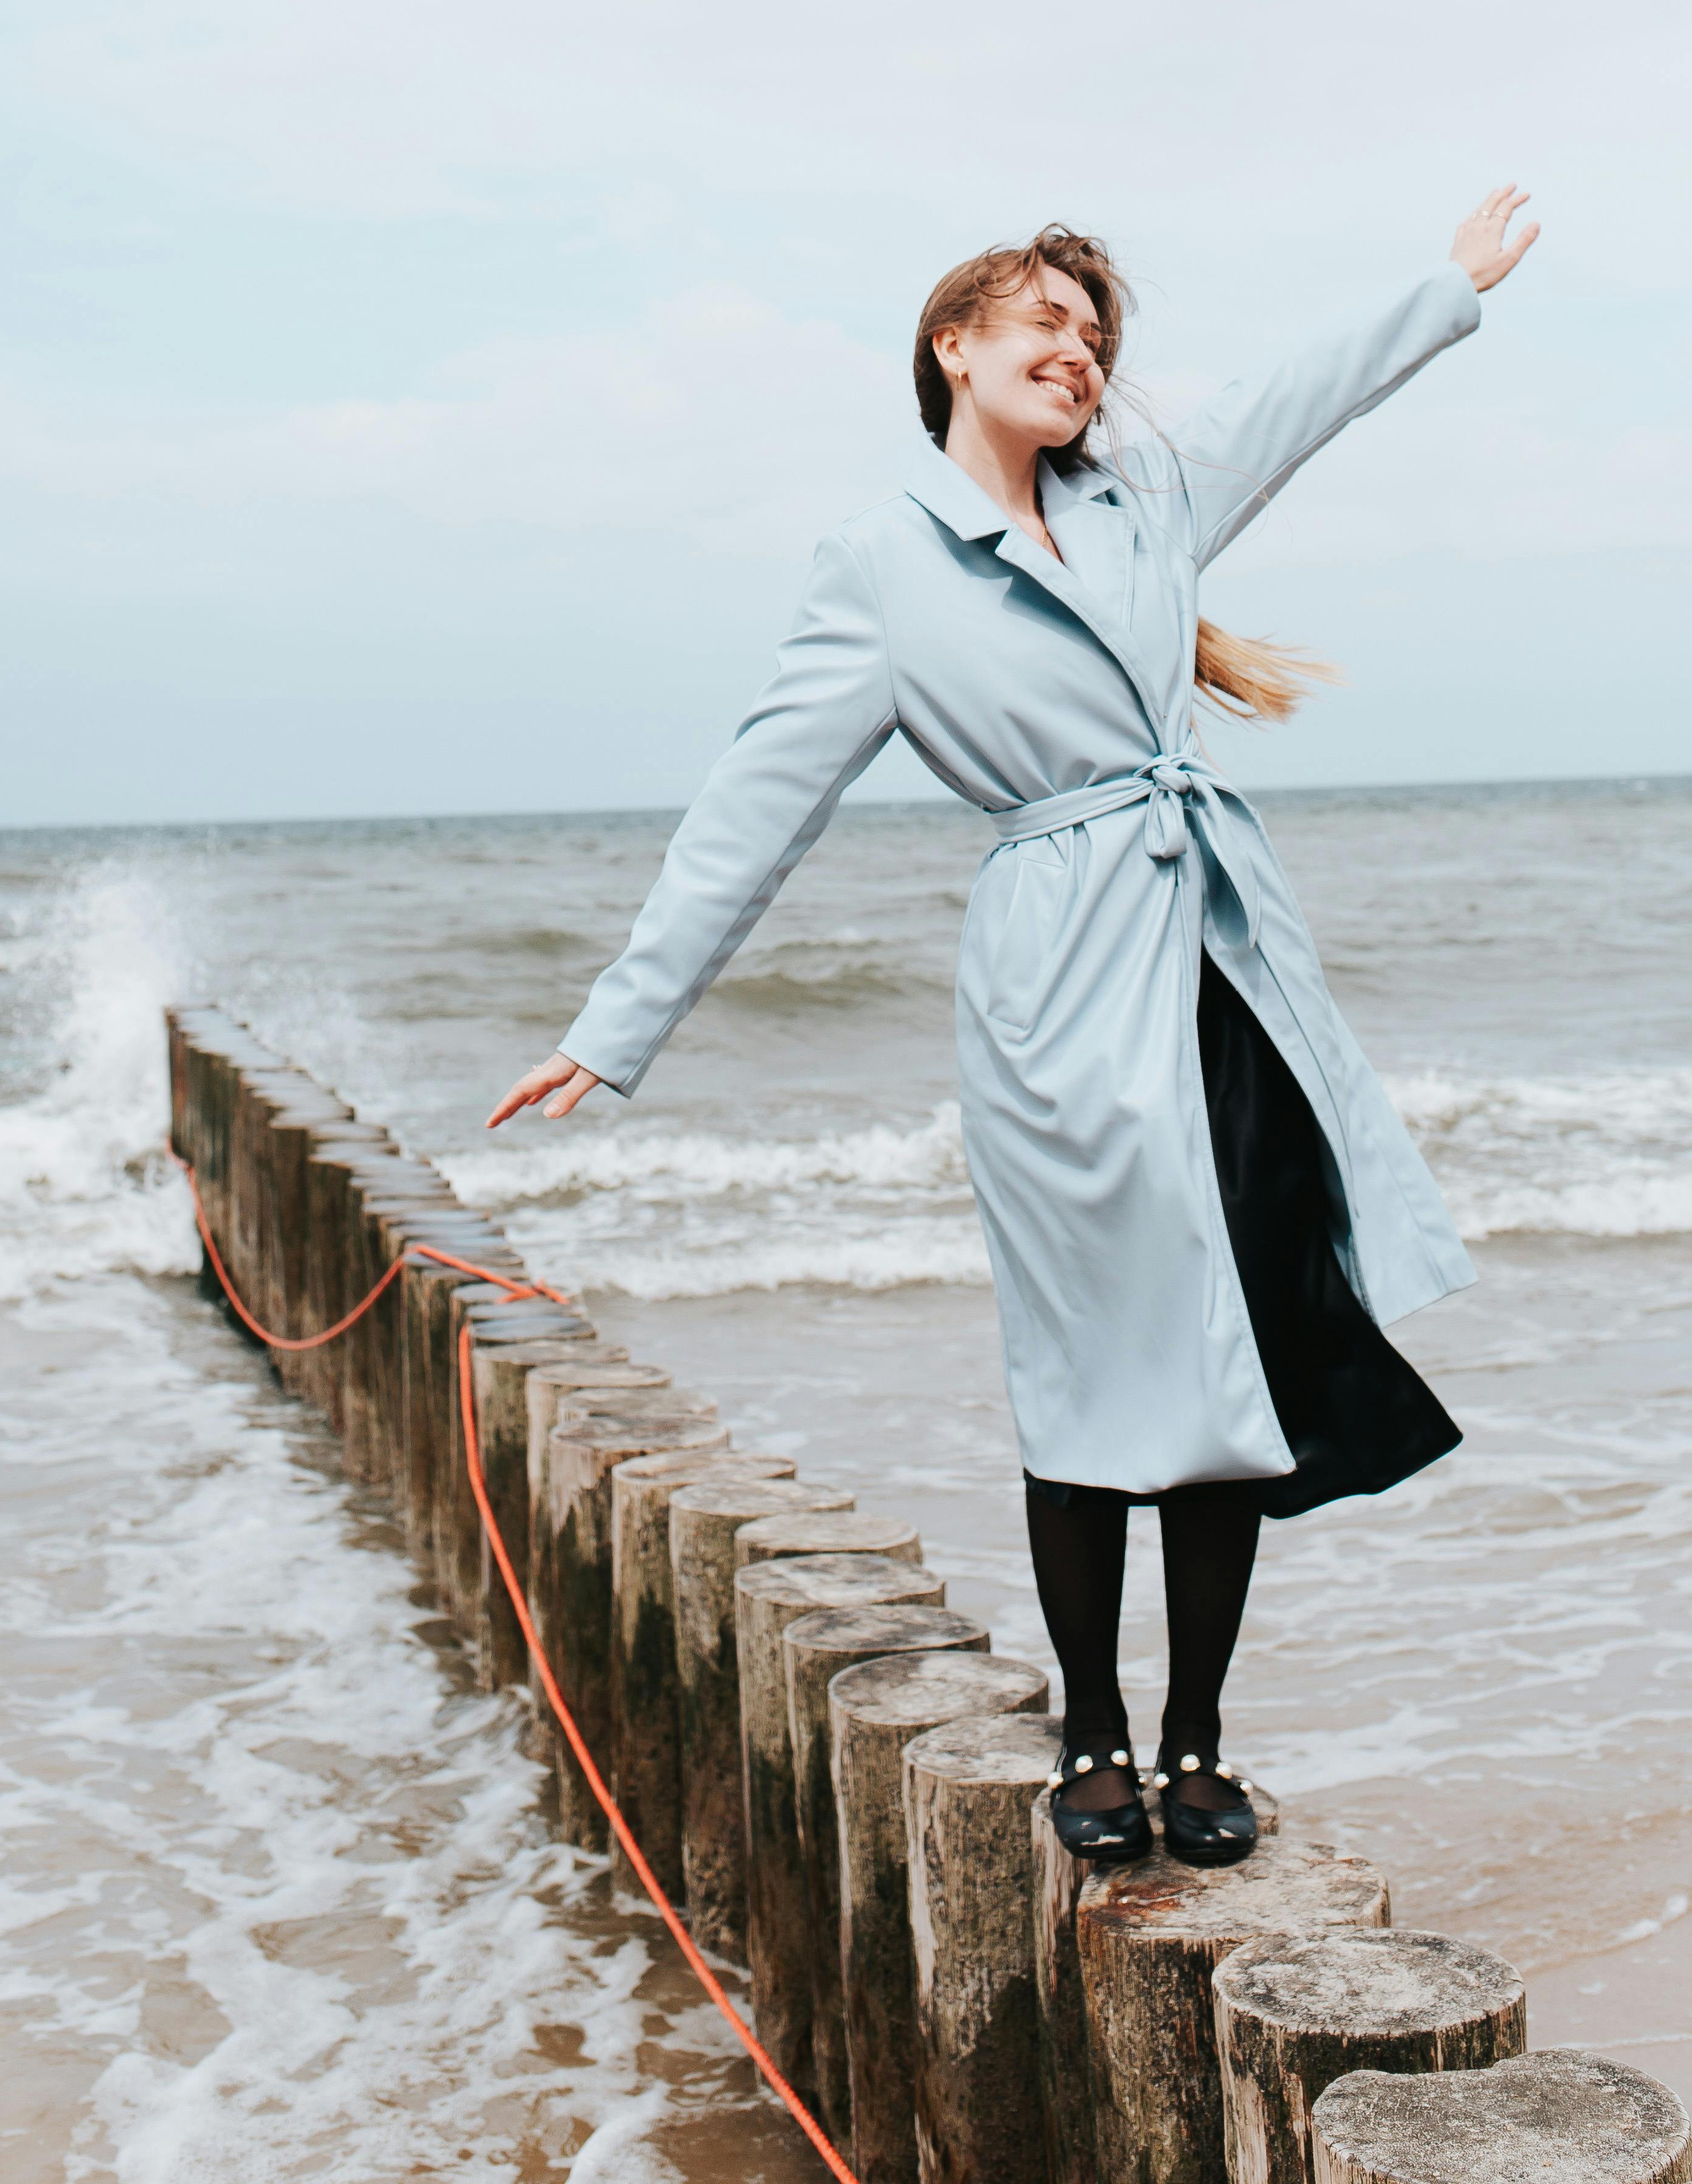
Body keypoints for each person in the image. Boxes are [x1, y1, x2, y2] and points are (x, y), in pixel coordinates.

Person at [489, 189, 1538, 1866]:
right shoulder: (882, 567)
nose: (1077, 349)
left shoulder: (1149, 498)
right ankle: (1093, 1737)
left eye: (1096, 333)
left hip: (1208, 961)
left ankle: (1197, 1743)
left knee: (1230, 1364)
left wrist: (1445, 288)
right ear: (953, 347)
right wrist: (622, 1024)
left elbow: (1298, 398)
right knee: (1089, 1368)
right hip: (1056, 990)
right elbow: (761, 800)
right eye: (1041, 322)